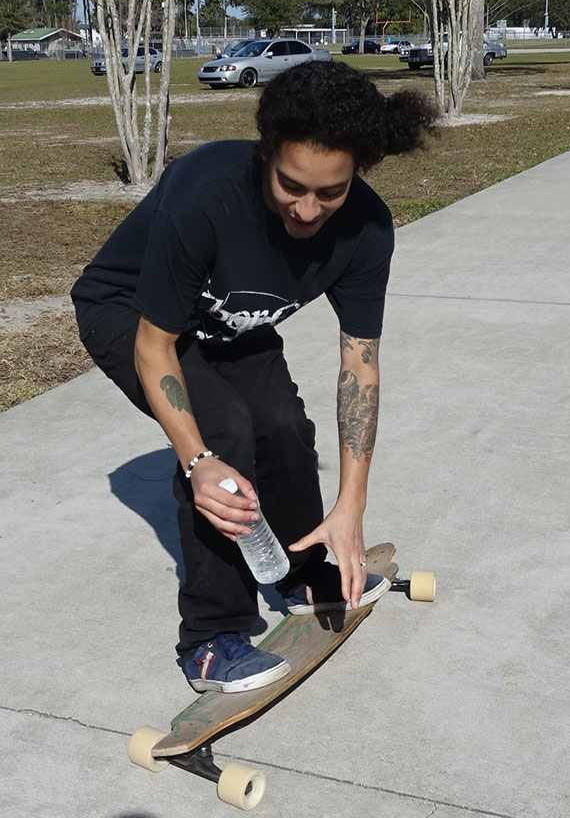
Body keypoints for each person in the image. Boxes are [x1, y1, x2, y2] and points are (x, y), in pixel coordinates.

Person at [71, 59, 436, 694]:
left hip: (234, 319)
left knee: (285, 428)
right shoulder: (207, 198)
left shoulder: (368, 231)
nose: (307, 209)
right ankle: (211, 637)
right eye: (292, 185)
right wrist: (197, 460)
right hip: (131, 314)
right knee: (226, 436)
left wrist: (352, 504)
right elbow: (156, 348)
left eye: (331, 191)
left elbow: (360, 365)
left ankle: (298, 571)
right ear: (267, 153)